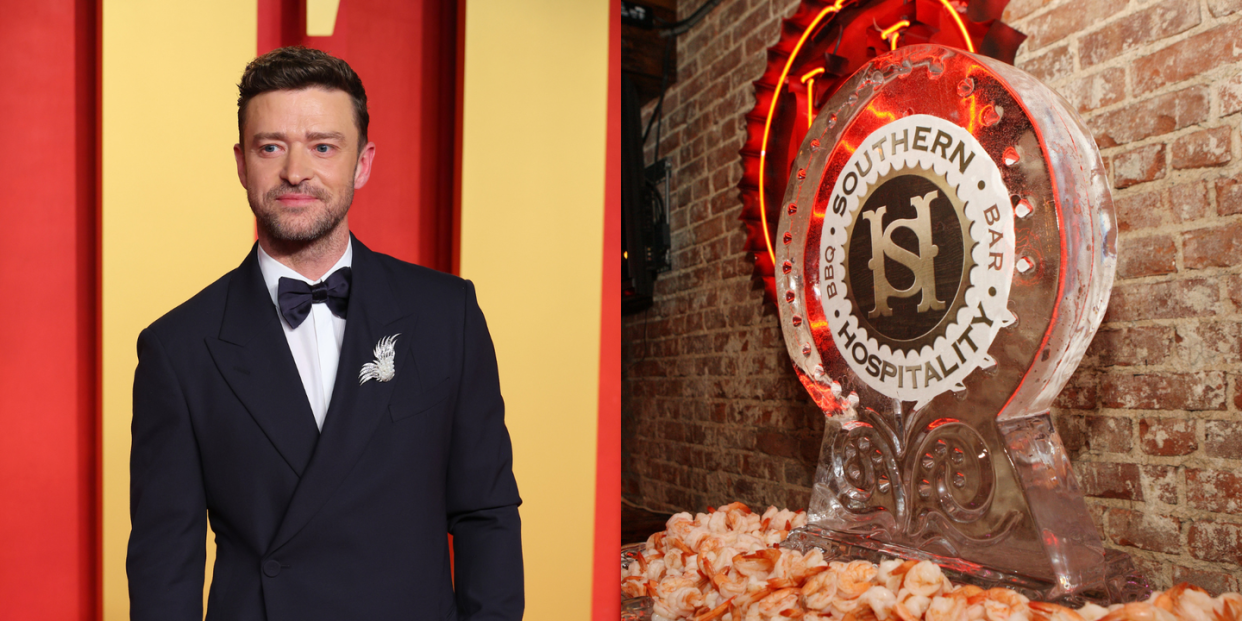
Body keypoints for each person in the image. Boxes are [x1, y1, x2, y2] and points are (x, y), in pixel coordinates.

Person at [126, 46, 523, 620]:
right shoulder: (177, 347)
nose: (296, 171)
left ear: (362, 163)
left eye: (322, 146)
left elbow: (486, 512)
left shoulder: (446, 314)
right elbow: (166, 560)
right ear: (241, 163)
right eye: (271, 147)